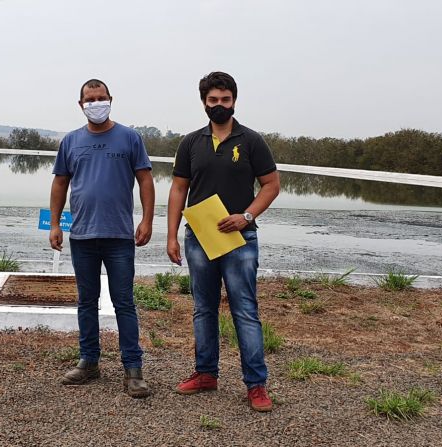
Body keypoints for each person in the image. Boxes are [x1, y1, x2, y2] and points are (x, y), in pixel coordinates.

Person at [166, 71, 280, 411]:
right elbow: (177, 189)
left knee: (245, 310)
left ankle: (256, 385)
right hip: (199, 238)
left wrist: (246, 216)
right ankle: (205, 373)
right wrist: (170, 235)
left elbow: (271, 185)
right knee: (203, 309)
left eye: (225, 100)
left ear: (234, 101)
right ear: (204, 102)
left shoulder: (252, 141)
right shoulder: (190, 143)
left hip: (240, 237)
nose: (219, 105)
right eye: (213, 100)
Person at [50, 78, 155, 398]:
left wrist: (147, 220)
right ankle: (89, 362)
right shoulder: (70, 142)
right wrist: (55, 223)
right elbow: (59, 185)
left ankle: (133, 370)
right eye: (90, 99)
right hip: (82, 236)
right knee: (86, 301)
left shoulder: (129, 138)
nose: (96, 103)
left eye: (101, 98)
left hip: (119, 237)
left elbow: (146, 181)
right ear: (80, 105)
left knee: (124, 302)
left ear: (110, 99)